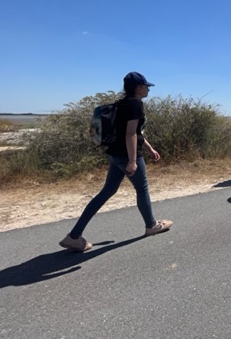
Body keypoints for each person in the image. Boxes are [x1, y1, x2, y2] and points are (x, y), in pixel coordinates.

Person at [59, 72, 172, 252]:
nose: (148, 89)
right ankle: (151, 226)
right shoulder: (135, 104)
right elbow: (130, 134)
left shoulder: (121, 104)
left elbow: (137, 133)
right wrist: (133, 160)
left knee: (107, 192)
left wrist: (150, 149)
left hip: (115, 155)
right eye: (146, 86)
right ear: (138, 88)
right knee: (142, 189)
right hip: (127, 156)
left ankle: (73, 236)